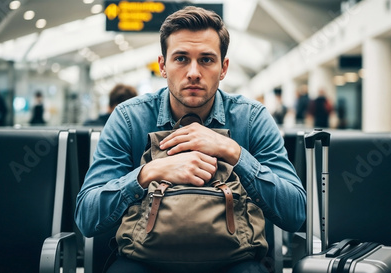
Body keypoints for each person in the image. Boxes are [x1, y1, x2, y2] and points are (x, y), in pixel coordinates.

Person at [75, 6, 306, 273]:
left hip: (234, 262)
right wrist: (149, 172)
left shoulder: (251, 119)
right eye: (181, 59)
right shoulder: (129, 118)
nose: (193, 72)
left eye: (206, 60)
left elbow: (294, 213)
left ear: (223, 68)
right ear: (163, 66)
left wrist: (233, 152)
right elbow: (87, 217)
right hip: (144, 263)